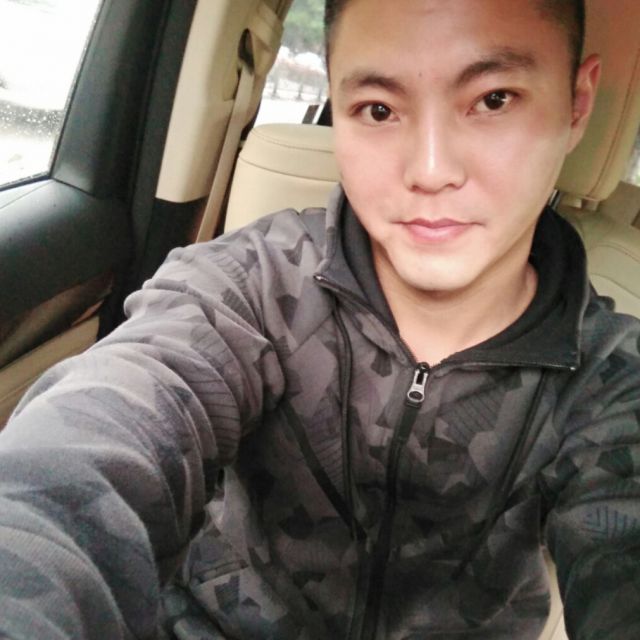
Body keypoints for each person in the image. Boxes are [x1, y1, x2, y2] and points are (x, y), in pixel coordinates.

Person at [0, 0, 638, 638]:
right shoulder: (249, 286)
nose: (431, 171)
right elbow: (90, 450)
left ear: (577, 104)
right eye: (378, 110)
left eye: (494, 100)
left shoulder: (611, 384)